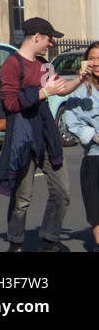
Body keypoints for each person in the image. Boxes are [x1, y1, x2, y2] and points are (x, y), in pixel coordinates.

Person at [0, 17, 86, 251]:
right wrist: (43, 92)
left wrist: (79, 78)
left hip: (47, 134)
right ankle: (15, 244)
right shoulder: (12, 64)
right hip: (23, 136)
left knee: (62, 192)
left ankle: (48, 241)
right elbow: (11, 103)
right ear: (36, 36)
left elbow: (61, 88)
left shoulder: (43, 64)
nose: (50, 44)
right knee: (22, 198)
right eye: (48, 39)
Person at [59, 42, 99, 251]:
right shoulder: (82, 90)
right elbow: (70, 120)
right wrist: (92, 136)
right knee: (95, 210)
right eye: (91, 58)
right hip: (95, 157)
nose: (95, 63)